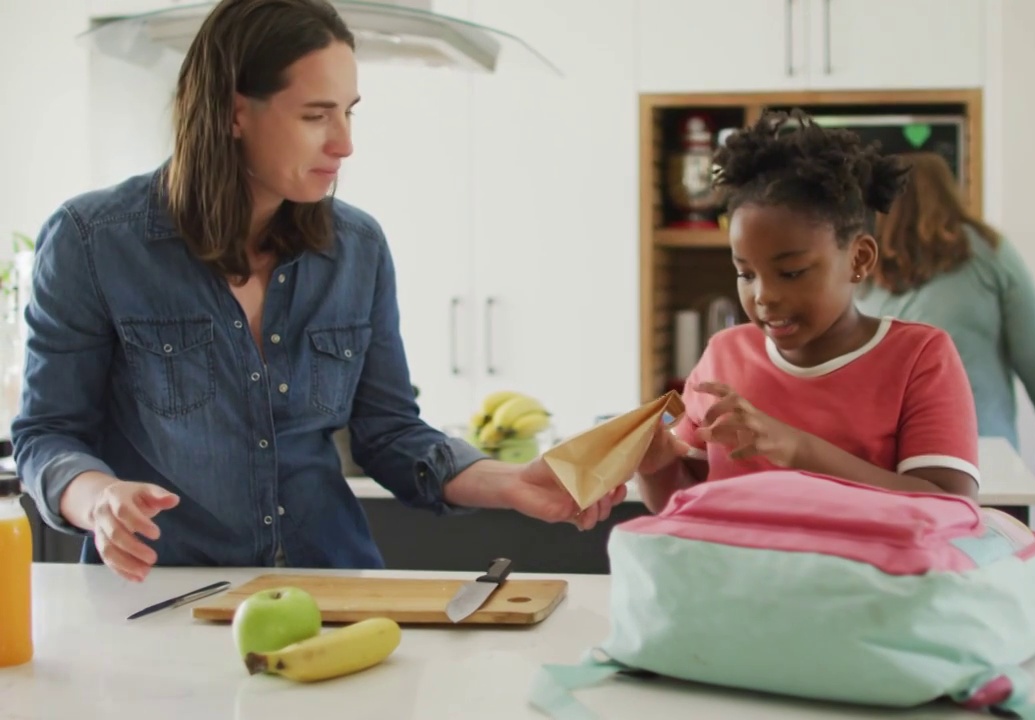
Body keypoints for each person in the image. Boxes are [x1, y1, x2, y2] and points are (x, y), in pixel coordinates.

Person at [10, 0, 624, 584]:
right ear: (232, 112)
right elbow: (48, 434)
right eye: (315, 115)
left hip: (333, 589)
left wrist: (510, 482)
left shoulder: (356, 248)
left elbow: (389, 433)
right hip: (161, 600)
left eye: (348, 111)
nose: (344, 142)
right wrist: (99, 500)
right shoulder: (93, 242)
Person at [635, 110, 982, 513]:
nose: (764, 296)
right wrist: (655, 467)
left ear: (859, 258)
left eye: (792, 272)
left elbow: (951, 507)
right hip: (741, 574)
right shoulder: (724, 355)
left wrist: (796, 447)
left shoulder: (920, 357)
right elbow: (685, 504)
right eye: (745, 273)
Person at [857, 152, 1035, 495]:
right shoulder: (990, 252)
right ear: (949, 192)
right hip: (980, 453)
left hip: (877, 460)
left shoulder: (860, 264)